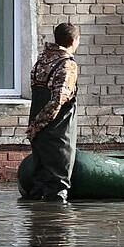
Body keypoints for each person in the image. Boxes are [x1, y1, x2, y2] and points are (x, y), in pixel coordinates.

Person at [23, 21, 80, 203]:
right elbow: (58, 100)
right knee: (57, 185)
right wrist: (39, 124)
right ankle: (55, 219)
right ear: (74, 41)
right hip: (58, 132)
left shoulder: (42, 60)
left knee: (39, 181)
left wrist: (35, 127)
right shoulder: (67, 65)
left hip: (38, 130)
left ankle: (35, 218)